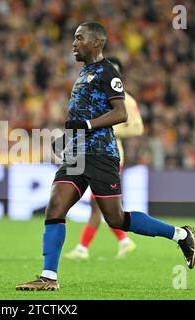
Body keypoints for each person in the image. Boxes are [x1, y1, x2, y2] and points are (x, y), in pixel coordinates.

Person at [15, 21, 195, 291]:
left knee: (116, 219)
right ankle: (48, 278)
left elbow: (121, 113)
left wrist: (87, 127)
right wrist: (66, 138)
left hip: (101, 154)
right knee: (55, 208)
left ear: (96, 43)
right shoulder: (84, 73)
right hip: (77, 154)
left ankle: (181, 235)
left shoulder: (107, 71)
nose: (74, 44)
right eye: (74, 38)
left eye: (79, 38)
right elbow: (79, 117)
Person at [64, 57, 144, 260]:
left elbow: (137, 127)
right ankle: (122, 241)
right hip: (92, 153)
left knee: (101, 205)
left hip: (110, 156)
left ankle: (84, 248)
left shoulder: (127, 100)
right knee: (100, 205)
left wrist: (111, 128)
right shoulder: (96, 96)